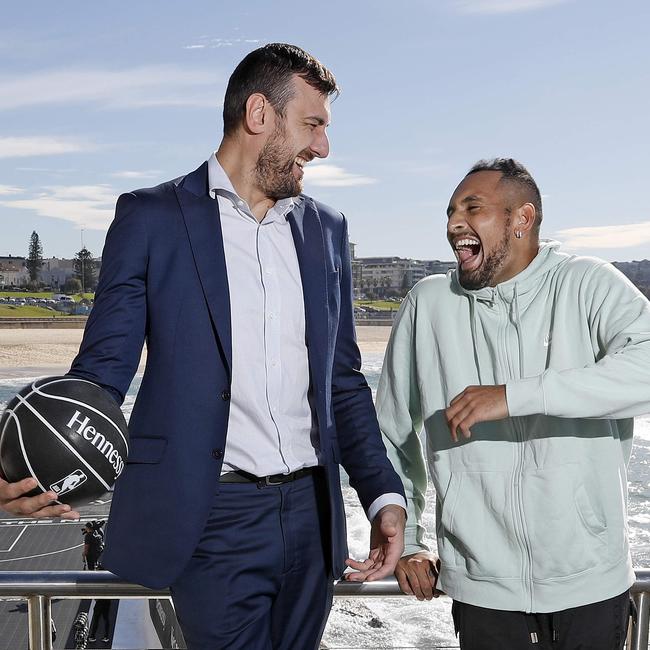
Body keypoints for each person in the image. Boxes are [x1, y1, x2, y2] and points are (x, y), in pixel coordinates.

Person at [0, 43, 406, 650]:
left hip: (313, 518)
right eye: (314, 125)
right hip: (212, 516)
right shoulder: (150, 217)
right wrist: (28, 465)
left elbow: (342, 380)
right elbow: (101, 375)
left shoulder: (327, 228)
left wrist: (382, 496)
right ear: (260, 113)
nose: (323, 148)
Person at [376, 158, 650, 649]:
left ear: (522, 219)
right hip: (483, 591)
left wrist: (515, 396)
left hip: (591, 583)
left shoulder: (587, 282)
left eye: (472, 208)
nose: (454, 223)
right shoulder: (428, 303)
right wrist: (411, 541)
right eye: (450, 211)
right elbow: (391, 432)